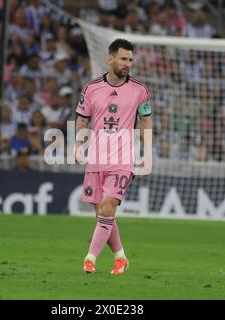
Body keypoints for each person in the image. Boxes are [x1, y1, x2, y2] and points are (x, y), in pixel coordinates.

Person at [74, 39, 153, 274]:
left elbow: (146, 122)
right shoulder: (91, 88)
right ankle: (121, 257)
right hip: (96, 158)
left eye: (130, 60)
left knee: (108, 208)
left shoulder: (140, 90)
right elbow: (81, 119)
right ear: (110, 58)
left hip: (123, 159)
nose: (128, 64)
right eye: (123, 59)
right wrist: (78, 144)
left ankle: (90, 258)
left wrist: (147, 154)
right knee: (101, 214)